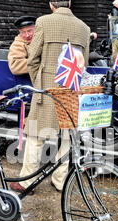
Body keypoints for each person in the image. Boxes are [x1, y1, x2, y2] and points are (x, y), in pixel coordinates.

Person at [10, 1, 90, 194]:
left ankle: (27, 182)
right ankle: (60, 180)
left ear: (51, 4)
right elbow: (83, 63)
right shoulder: (84, 28)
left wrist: (40, 82)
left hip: (46, 87)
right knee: (67, 136)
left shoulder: (43, 22)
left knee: (36, 135)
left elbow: (33, 59)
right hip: (71, 88)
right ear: (70, 3)